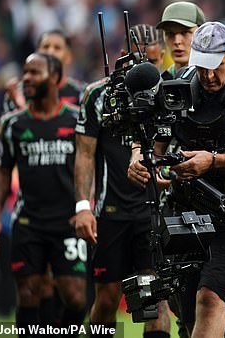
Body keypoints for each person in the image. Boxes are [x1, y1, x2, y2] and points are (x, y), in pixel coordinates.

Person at [128, 20, 225, 338]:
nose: (207, 75)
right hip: (188, 210)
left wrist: (213, 162)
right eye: (201, 66)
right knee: (185, 306)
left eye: (215, 66)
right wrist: (144, 159)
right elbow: (156, 140)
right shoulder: (181, 83)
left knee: (210, 296)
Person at [73, 25, 170, 338]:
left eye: (155, 63)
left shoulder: (166, 90)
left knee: (153, 299)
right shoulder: (97, 95)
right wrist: (83, 206)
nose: (149, 72)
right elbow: (85, 154)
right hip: (110, 211)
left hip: (152, 210)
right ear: (125, 54)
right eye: (144, 62)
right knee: (107, 299)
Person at [0, 52, 87, 336]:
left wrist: (87, 207)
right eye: (25, 72)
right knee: (29, 292)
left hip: (67, 222)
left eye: (34, 73)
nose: (26, 79)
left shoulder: (77, 120)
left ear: (54, 78)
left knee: (76, 296)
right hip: (28, 223)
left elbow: (88, 166)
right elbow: (3, 171)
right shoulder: (13, 124)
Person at [4, 29, 84, 112]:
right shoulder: (18, 92)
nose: (50, 51)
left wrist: (21, 105)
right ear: (36, 53)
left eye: (57, 48)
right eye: (45, 47)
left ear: (68, 56)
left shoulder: (83, 94)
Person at [155, 1, 206, 79]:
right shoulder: (160, 84)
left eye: (185, 32)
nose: (177, 41)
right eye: (170, 33)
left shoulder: (215, 80)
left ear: (202, 34)